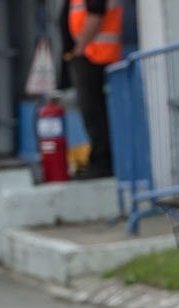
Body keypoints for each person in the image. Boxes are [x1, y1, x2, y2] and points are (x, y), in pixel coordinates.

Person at [63, 0, 123, 179]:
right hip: (92, 54)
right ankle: (100, 160)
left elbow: (96, 14)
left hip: (94, 55)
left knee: (94, 112)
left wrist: (80, 48)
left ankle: (102, 163)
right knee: (93, 112)